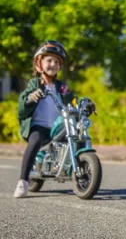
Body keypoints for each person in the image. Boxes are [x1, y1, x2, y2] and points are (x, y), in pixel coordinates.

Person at [14, 40, 72, 198]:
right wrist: (31, 98)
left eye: (56, 61)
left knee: (75, 136)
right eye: (49, 60)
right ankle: (23, 182)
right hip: (39, 126)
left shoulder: (61, 86)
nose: (52, 64)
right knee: (34, 142)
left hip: (56, 127)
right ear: (39, 64)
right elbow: (22, 105)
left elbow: (71, 100)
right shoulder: (35, 84)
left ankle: (75, 169)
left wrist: (83, 104)